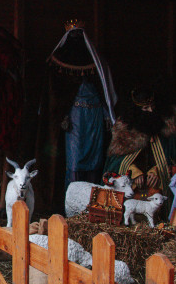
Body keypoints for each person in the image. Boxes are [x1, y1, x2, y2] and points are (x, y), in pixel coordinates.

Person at [36, 20, 116, 214]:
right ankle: (72, 204)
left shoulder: (95, 59)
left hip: (95, 116)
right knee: (75, 161)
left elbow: (104, 89)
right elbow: (53, 95)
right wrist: (61, 114)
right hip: (75, 118)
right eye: (73, 35)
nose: (76, 39)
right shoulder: (58, 59)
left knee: (95, 160)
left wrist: (107, 113)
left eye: (79, 35)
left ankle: (92, 204)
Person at [105, 86, 176, 199]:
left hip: (159, 185)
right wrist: (133, 172)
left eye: (153, 106)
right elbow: (117, 161)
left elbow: (175, 159)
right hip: (134, 184)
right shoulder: (125, 129)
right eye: (146, 108)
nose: (151, 111)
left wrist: (157, 171)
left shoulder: (170, 126)